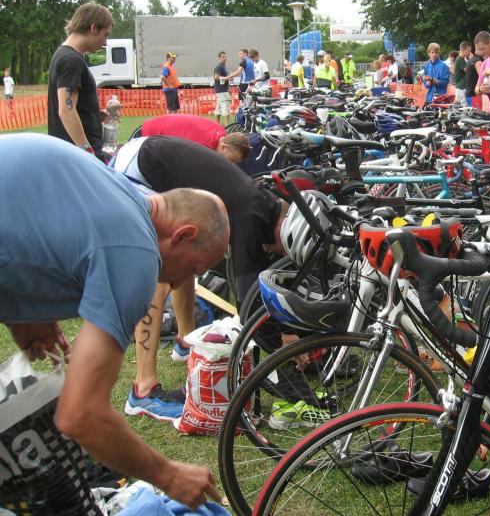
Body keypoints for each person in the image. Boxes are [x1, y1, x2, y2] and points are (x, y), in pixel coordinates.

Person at [0, 133, 228, 509]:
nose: (176, 285)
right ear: (183, 235)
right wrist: (169, 475)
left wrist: (30, 314)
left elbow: (30, 224)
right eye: (192, 270)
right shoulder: (136, 251)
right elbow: (80, 414)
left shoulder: (124, 194)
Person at [111, 135, 287, 421]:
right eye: (281, 247)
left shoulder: (254, 196)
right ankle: (143, 390)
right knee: (157, 274)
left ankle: (185, 340)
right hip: (138, 171)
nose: (276, 251)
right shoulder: (250, 208)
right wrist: (280, 340)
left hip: (150, 157)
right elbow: (246, 297)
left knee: (186, 259)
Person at [47, 1, 113, 157]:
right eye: (105, 34)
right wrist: (88, 153)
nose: (105, 42)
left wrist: (93, 114)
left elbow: (70, 106)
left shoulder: (64, 55)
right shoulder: (71, 60)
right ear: (93, 28)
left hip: (71, 154)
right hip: (77, 156)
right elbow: (66, 112)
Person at [141, 114, 251, 163]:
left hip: (158, 129)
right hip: (150, 134)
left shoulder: (221, 134)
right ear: (223, 147)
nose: (231, 165)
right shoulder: (203, 146)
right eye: (231, 160)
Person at [213, 51, 232, 124]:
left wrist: (228, 88)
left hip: (222, 90)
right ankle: (227, 126)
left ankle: (217, 124)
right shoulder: (219, 67)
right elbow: (216, 77)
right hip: (222, 90)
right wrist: (226, 78)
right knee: (226, 107)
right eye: (223, 57)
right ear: (219, 58)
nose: (225, 58)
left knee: (218, 108)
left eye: (225, 56)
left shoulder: (224, 67)